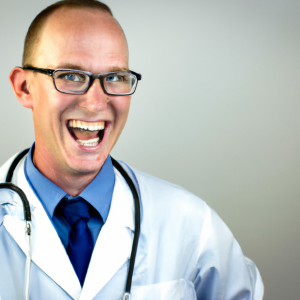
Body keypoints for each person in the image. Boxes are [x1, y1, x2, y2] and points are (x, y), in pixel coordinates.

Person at [0, 0, 264, 299]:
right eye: (70, 76)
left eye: (114, 78)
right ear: (24, 87)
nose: (96, 102)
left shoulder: (190, 223)